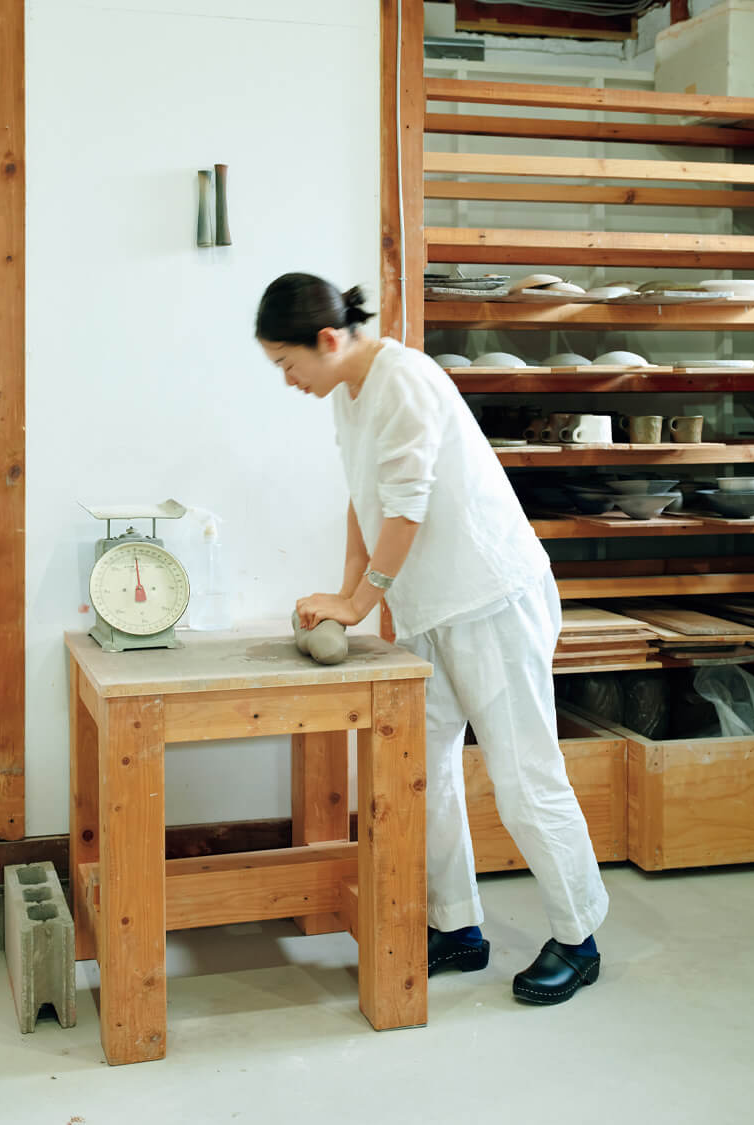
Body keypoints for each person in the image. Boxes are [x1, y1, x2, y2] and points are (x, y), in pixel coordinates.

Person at [256, 274, 610, 1006]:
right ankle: (458, 926)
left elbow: (408, 509)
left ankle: (579, 939)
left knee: (523, 773)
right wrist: (344, 594)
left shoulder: (405, 380)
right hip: (430, 606)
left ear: (327, 340)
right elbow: (366, 504)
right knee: (428, 769)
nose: (286, 380)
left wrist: (357, 604)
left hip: (491, 598)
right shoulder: (346, 396)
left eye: (287, 364)